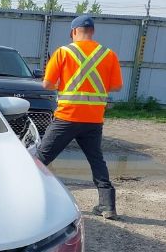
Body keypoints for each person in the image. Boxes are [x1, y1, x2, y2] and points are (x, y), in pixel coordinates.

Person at [38, 15, 123, 219]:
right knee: (97, 161)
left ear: (73, 32)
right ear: (92, 32)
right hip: (93, 119)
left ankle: (25, 194)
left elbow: (47, 85)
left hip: (67, 117)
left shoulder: (63, 52)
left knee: (41, 159)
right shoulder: (108, 54)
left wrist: (66, 84)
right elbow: (117, 86)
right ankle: (108, 205)